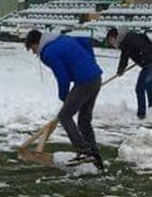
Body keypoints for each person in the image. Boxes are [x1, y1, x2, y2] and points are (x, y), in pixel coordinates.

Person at [25, 29, 104, 171]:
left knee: (64, 116)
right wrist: (91, 64)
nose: (33, 52)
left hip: (84, 82)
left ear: (36, 43)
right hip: (95, 77)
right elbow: (86, 42)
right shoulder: (61, 38)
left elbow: (62, 76)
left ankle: (84, 152)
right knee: (84, 120)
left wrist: (64, 96)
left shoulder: (48, 53)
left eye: (32, 48)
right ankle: (95, 158)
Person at [106, 27, 152, 119]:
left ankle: (141, 114)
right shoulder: (130, 35)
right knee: (149, 87)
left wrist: (120, 70)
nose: (111, 43)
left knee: (139, 89)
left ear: (114, 37)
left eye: (110, 40)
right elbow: (145, 39)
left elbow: (124, 58)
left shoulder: (125, 41)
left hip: (148, 65)